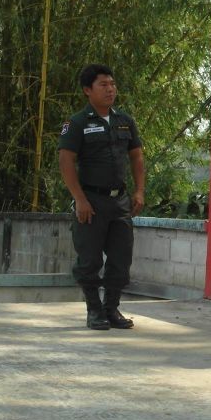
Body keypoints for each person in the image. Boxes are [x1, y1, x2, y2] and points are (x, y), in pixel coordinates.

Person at [58, 64, 145, 330]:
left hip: (120, 202)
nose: (110, 89)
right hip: (91, 202)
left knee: (121, 259)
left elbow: (137, 157)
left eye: (112, 84)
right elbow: (66, 161)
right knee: (90, 260)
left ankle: (111, 309)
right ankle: (94, 311)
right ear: (88, 90)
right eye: (103, 85)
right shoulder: (77, 123)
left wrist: (139, 191)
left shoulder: (124, 121)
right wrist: (79, 199)